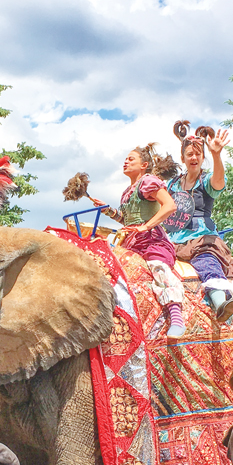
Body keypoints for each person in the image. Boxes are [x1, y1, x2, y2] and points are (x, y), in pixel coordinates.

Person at [89, 144, 186, 338]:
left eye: (131, 159)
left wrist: (146, 226)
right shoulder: (127, 192)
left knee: (158, 267)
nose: (125, 161)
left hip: (152, 242)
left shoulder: (148, 181)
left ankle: (177, 318)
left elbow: (169, 206)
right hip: (130, 244)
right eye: (125, 158)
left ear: (144, 165)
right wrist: (108, 210)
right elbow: (127, 220)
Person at [164, 123, 233, 321]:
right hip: (173, 240)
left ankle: (221, 304)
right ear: (182, 158)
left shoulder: (205, 180)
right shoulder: (172, 184)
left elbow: (219, 182)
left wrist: (217, 155)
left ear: (203, 157)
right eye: (189, 154)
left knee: (206, 261)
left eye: (198, 154)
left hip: (201, 239)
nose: (194, 158)